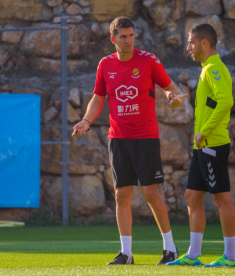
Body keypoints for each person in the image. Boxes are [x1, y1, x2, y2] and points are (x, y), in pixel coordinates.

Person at [72, 16, 188, 265]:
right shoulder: (105, 64)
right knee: (121, 195)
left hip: (145, 136)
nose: (128, 41)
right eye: (123, 37)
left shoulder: (148, 60)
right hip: (118, 138)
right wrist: (86, 121)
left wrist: (172, 96)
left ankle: (170, 249)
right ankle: (126, 254)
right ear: (113, 39)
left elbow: (168, 86)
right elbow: (98, 97)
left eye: (131, 35)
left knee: (150, 193)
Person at [167, 23, 235, 267]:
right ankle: (193, 255)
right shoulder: (207, 68)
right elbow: (213, 102)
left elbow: (226, 101)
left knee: (221, 200)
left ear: (204, 43)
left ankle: (231, 257)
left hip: (212, 144)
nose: (188, 47)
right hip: (203, 147)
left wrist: (204, 132)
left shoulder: (214, 68)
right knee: (191, 197)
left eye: (191, 42)